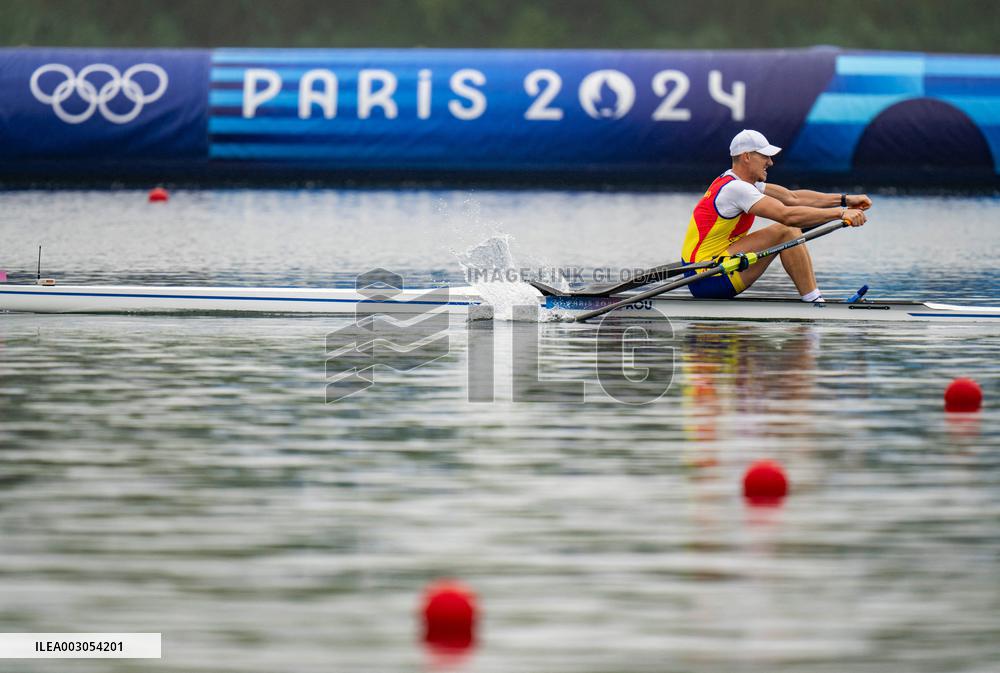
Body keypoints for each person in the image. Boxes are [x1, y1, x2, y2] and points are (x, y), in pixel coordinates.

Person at [681, 129, 871, 302]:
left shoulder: (737, 181)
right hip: (707, 276)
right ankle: (814, 301)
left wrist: (845, 199)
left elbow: (792, 198)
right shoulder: (737, 189)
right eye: (765, 156)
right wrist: (841, 213)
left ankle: (813, 298)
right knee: (787, 230)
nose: (770, 162)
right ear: (746, 156)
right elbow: (787, 216)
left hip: (708, 271)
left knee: (789, 229)